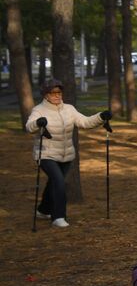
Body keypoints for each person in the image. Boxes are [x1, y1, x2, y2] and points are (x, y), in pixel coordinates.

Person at [25, 80, 110, 228]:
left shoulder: (69, 109)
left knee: (53, 182)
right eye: (53, 93)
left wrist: (100, 117)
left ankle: (43, 210)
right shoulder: (39, 110)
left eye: (59, 92)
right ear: (46, 95)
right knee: (59, 182)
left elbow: (85, 122)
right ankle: (58, 217)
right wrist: (38, 122)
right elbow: (29, 127)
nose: (57, 95)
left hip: (66, 155)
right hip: (45, 154)